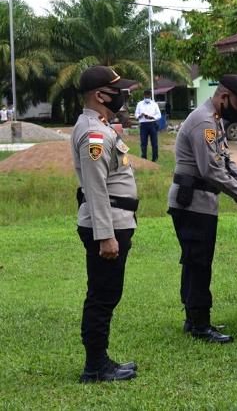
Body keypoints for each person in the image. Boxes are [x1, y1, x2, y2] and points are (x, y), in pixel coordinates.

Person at [168, 74, 237, 343]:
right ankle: (200, 324)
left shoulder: (214, 120)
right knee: (199, 262)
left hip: (201, 202)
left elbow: (226, 163)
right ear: (224, 97)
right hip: (192, 204)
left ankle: (194, 318)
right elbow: (211, 170)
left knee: (195, 260)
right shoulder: (204, 122)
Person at [71, 65, 138, 382]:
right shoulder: (94, 133)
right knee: (102, 294)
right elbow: (96, 188)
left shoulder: (100, 126)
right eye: (118, 90)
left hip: (115, 219)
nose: (123, 95)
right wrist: (106, 236)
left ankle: (101, 360)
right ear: (100, 95)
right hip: (107, 223)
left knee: (107, 293)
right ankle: (95, 366)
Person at [134, 89, 161, 162]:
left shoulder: (154, 104)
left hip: (152, 124)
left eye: (148, 97)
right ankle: (144, 157)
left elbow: (159, 115)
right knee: (143, 142)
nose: (147, 98)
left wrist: (152, 117)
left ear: (150, 96)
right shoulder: (139, 104)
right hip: (143, 125)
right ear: (144, 96)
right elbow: (136, 115)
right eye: (146, 97)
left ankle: (154, 158)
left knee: (154, 143)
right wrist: (140, 115)